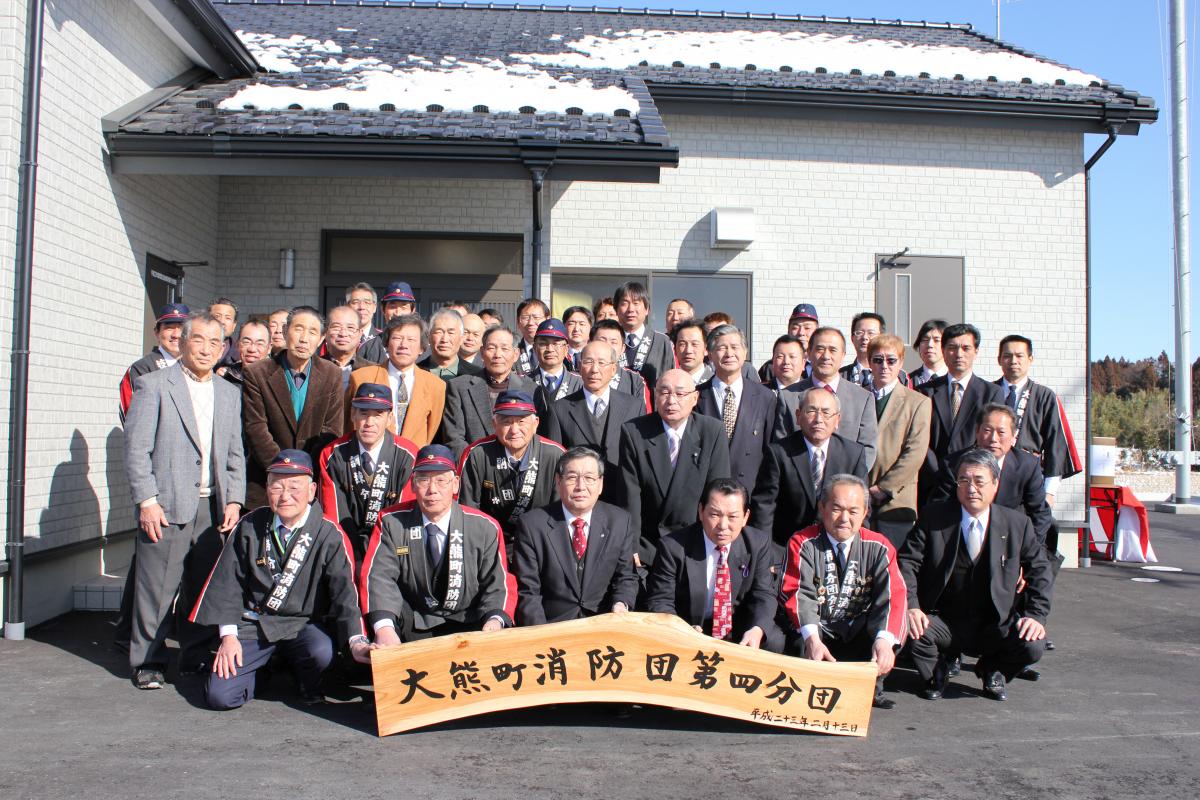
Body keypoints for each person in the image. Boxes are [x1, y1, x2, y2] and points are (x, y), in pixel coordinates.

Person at [189, 450, 369, 709]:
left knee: (322, 653)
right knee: (220, 697)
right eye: (277, 486)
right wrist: (228, 637)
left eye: (295, 486)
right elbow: (228, 585)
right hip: (254, 626)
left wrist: (356, 641)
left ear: (312, 490)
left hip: (302, 626)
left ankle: (305, 678)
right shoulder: (249, 526)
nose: (285, 495)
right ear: (267, 489)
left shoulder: (329, 533)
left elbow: (345, 596)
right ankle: (262, 672)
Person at [123, 311, 245, 689]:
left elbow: (234, 454)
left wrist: (235, 500)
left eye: (215, 342)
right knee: (156, 589)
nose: (207, 349)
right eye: (199, 340)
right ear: (183, 341)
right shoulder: (155, 385)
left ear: (224, 348)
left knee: (202, 586)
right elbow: (136, 450)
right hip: (167, 505)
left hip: (213, 506)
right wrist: (147, 500)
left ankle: (194, 654)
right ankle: (148, 661)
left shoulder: (228, 392)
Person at [900, 449, 1053, 702]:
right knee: (912, 629)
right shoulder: (933, 517)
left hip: (995, 624)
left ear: (995, 485)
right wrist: (912, 606)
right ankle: (937, 672)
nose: (971, 488)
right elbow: (907, 562)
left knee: (1032, 644)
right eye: (964, 480)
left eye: (979, 481)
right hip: (946, 621)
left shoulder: (1017, 524)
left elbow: (1040, 570)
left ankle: (993, 669)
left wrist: (1036, 615)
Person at [360, 444, 517, 641]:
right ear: (412, 484)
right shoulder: (391, 522)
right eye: (424, 480)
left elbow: (498, 581)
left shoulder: (484, 527)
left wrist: (494, 620)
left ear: (456, 484)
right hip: (414, 620)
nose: (432, 490)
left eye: (441, 480)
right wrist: (385, 629)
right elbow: (380, 577)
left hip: (471, 620)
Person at [779, 474, 906, 709]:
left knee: (889, 633)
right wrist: (813, 638)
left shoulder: (879, 547)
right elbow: (798, 593)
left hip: (856, 627)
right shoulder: (802, 542)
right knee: (796, 636)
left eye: (853, 511)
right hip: (818, 629)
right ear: (822, 507)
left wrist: (884, 641)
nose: (844, 519)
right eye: (836, 509)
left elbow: (893, 597)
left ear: (866, 512)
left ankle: (872, 687)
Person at [646, 478, 782, 652]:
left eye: (733, 517)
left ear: (745, 517)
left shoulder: (757, 543)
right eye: (715, 515)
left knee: (774, 640)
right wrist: (680, 630)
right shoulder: (673, 547)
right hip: (689, 627)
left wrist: (757, 629)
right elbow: (660, 600)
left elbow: (763, 593)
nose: (723, 526)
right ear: (701, 511)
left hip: (737, 628)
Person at [618, 368, 731, 574]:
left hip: (696, 541)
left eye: (680, 394)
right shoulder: (634, 432)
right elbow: (629, 496)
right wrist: (631, 546)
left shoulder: (712, 431)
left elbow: (718, 493)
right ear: (654, 394)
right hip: (649, 544)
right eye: (664, 392)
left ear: (695, 397)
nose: (671, 401)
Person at [513, 447, 638, 625]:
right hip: (552, 627)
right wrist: (541, 635)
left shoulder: (619, 521)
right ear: (558, 481)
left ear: (601, 484)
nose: (581, 486)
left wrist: (620, 605)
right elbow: (528, 591)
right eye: (572, 477)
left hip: (604, 624)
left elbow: (625, 577)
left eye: (589, 478)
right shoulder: (532, 525)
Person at [242, 306, 344, 509]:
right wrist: (283, 470)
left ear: (322, 338)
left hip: (310, 483)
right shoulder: (258, 373)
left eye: (313, 332)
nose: (304, 338)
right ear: (286, 330)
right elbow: (256, 428)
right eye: (298, 329)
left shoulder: (331, 374)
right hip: (266, 481)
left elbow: (331, 430)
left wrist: (303, 472)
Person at [752, 387, 868, 546]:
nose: (819, 419)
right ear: (798, 416)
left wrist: (858, 550)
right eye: (811, 411)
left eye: (826, 412)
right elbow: (764, 507)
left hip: (836, 544)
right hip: (787, 545)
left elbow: (862, 508)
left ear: (837, 420)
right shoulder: (779, 453)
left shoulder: (853, 454)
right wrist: (766, 554)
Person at [318, 383, 418, 562]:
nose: (369, 423)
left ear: (390, 419)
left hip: (392, 548)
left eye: (378, 414)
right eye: (363, 414)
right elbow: (333, 512)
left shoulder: (408, 455)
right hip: (345, 548)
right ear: (352, 415)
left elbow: (404, 514)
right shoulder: (333, 454)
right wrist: (351, 555)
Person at [929, 404, 1054, 547]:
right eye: (987, 430)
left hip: (1009, 542)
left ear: (1014, 437)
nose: (993, 438)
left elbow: (1040, 514)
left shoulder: (1027, 466)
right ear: (977, 432)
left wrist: (1027, 555)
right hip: (962, 539)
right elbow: (939, 509)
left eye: (1001, 432)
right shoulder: (953, 464)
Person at [458, 390, 564, 553]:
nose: (514, 430)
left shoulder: (555, 455)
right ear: (494, 424)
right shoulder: (477, 454)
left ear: (535, 424)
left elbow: (562, 513)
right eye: (506, 422)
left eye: (521, 422)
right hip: (491, 543)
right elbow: (467, 510)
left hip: (543, 543)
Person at [542, 340, 644, 507]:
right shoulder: (559, 409)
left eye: (601, 363)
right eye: (588, 362)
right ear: (580, 367)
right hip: (578, 499)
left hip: (621, 500)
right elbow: (556, 464)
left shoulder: (634, 406)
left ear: (613, 369)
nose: (594, 369)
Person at [917, 323, 1005, 505]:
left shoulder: (991, 392)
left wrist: (966, 469)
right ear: (943, 350)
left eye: (966, 348)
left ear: (976, 351)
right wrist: (938, 470)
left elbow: (989, 437)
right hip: (932, 481)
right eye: (952, 348)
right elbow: (919, 437)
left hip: (973, 482)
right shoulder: (925, 391)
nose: (959, 354)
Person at [995, 335, 1082, 506]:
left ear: (1030, 359)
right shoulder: (987, 392)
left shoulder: (1045, 396)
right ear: (999, 360)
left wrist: (1049, 493)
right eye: (1007, 356)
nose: (1013, 361)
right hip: (992, 477)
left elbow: (1056, 446)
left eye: (1019, 356)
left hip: (1030, 479)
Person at [776, 327, 878, 469]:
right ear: (809, 353)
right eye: (820, 349)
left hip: (846, 484)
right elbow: (781, 448)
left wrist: (846, 483)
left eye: (833, 350)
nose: (826, 356)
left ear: (843, 355)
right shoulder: (788, 397)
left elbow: (868, 448)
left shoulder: (862, 399)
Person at [866, 334, 932, 549]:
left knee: (892, 570)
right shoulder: (858, 397)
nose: (884, 366)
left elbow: (915, 452)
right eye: (877, 360)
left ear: (901, 362)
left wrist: (884, 487)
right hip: (860, 498)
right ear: (869, 362)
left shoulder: (917, 402)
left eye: (891, 360)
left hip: (896, 502)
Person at [696, 324, 777, 495]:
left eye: (735, 347)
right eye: (722, 348)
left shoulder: (765, 397)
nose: (729, 353)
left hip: (750, 495)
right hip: (707, 494)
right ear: (710, 354)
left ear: (745, 352)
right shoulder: (696, 396)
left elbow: (771, 452)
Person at [345, 314, 446, 447]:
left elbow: (431, 430)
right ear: (386, 344)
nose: (404, 345)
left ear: (422, 348)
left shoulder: (436, 386)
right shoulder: (361, 378)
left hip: (413, 460)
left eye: (411, 339)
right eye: (397, 338)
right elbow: (349, 425)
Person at [441, 326, 536, 459]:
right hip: (474, 466)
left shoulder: (531, 389)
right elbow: (454, 438)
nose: (498, 355)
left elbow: (533, 437)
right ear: (482, 352)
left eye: (504, 348)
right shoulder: (459, 387)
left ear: (515, 355)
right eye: (491, 348)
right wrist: (476, 466)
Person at [119, 302, 189, 424]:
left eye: (182, 328)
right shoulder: (141, 368)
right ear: (157, 332)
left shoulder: (197, 367)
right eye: (169, 327)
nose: (176, 334)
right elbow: (133, 419)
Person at [615, 281, 675, 389]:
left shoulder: (662, 342)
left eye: (636, 303)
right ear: (616, 310)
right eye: (624, 303)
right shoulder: (609, 341)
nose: (630, 309)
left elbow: (672, 379)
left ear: (647, 309)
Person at [591, 319, 651, 412]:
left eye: (613, 342)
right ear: (590, 343)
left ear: (623, 348)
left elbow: (644, 416)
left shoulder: (635, 381)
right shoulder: (579, 378)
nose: (608, 346)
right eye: (602, 340)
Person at [529, 319, 583, 420]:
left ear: (566, 349)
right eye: (543, 344)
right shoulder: (524, 382)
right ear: (535, 347)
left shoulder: (579, 383)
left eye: (556, 344)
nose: (550, 349)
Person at [841, 312, 910, 389]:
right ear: (852, 338)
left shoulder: (900, 376)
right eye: (860, 333)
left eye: (871, 333)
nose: (865, 337)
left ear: (882, 337)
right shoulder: (840, 376)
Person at [418, 308, 483, 381]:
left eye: (451, 333)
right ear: (429, 337)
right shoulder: (415, 372)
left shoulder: (476, 375)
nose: (444, 339)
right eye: (439, 332)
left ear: (461, 338)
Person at [758, 303, 817, 383]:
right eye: (795, 328)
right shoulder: (771, 367)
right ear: (788, 330)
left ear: (816, 331)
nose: (801, 332)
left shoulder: (823, 364)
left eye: (807, 328)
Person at [321, 305, 372, 390]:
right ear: (326, 332)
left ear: (360, 334)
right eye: (336, 327)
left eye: (350, 328)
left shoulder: (372, 370)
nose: (343, 334)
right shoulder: (312, 368)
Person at [219, 319, 272, 388]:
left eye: (259, 343)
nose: (252, 349)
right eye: (246, 342)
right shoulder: (225, 378)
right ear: (237, 345)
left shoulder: (279, 380)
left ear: (269, 348)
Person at [672, 318, 712, 385]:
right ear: (675, 348)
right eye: (682, 344)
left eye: (694, 344)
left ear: (706, 349)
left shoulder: (715, 382)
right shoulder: (666, 382)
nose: (688, 351)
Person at [514, 298, 549, 376]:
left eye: (536, 317)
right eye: (525, 318)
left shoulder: (557, 350)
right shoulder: (512, 351)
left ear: (547, 320)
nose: (530, 323)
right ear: (518, 322)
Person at [909, 318, 948, 387]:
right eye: (925, 339)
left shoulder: (955, 381)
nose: (930, 345)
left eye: (937, 340)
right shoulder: (908, 381)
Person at [346, 282, 381, 352]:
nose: (362, 307)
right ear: (348, 307)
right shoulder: (339, 338)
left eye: (367, 302)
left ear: (374, 307)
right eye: (355, 302)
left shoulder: (383, 338)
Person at [208, 297, 239, 368]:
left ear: (234, 325)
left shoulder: (239, 357)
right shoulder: (195, 351)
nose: (222, 322)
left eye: (228, 318)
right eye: (217, 316)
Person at [562, 305, 593, 371]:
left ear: (590, 327)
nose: (576, 329)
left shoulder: (596, 353)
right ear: (564, 326)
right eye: (571, 323)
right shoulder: (558, 354)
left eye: (582, 324)